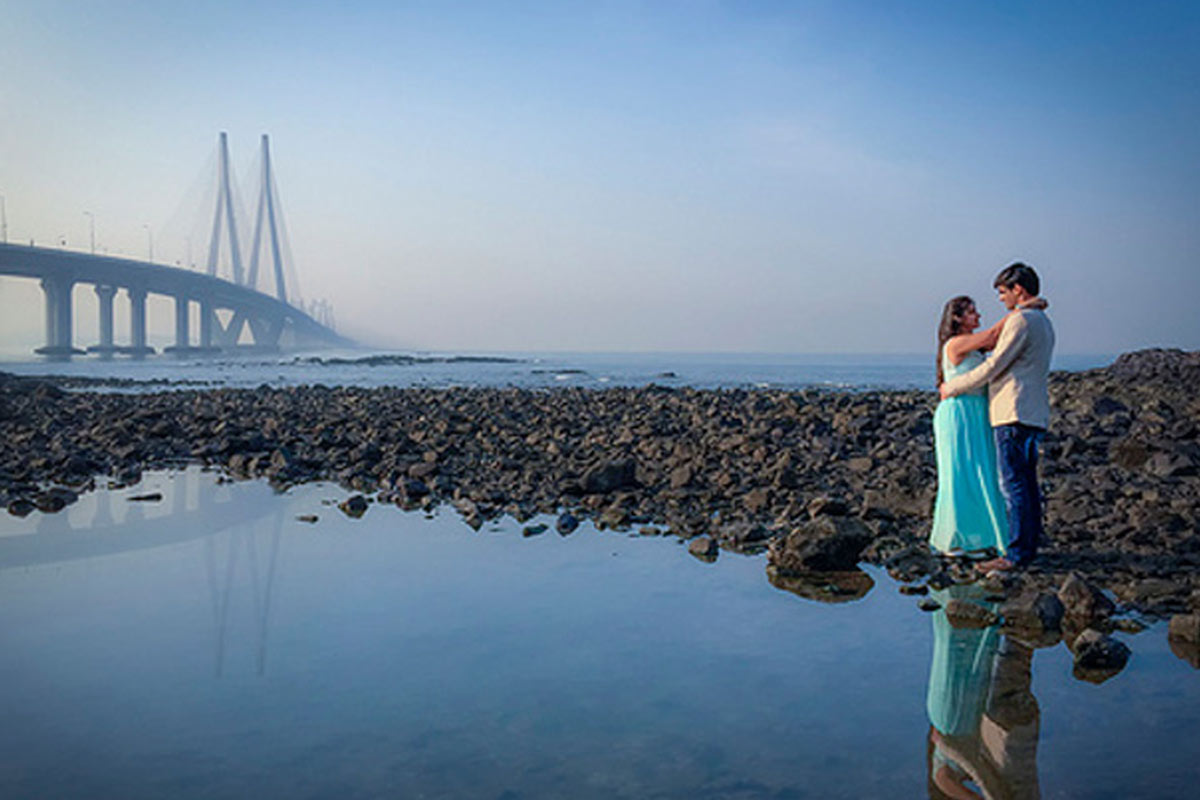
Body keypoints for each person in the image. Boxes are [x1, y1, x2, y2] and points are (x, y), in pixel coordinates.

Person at [941, 263, 1055, 571]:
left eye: (1003, 292)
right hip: (1033, 411)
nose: (1001, 299)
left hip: (1013, 411)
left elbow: (994, 367)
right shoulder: (1043, 321)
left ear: (1018, 290)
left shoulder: (1021, 320)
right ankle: (1027, 547)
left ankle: (1016, 555)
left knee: (1014, 485)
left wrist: (952, 386)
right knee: (1028, 484)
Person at [930, 296, 1012, 557]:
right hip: (958, 412)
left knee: (980, 473)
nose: (978, 317)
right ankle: (957, 539)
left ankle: (978, 537)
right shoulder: (956, 344)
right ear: (957, 318)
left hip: (976, 412)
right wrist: (1023, 310)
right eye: (972, 313)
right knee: (959, 475)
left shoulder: (970, 347)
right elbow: (992, 335)